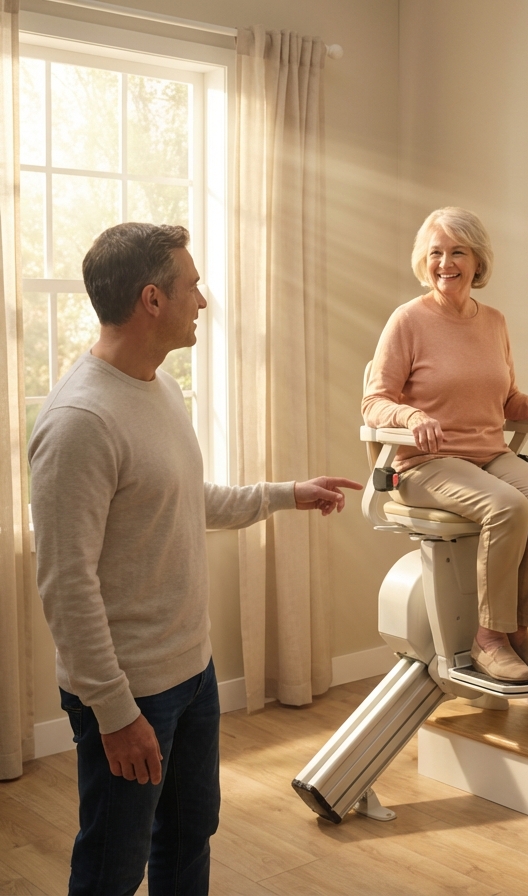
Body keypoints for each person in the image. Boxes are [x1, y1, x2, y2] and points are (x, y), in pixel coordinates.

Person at [28, 222, 362, 895]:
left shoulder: (158, 388)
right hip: (129, 693)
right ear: (152, 300)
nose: (203, 300)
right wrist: (117, 714)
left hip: (192, 670)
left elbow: (183, 500)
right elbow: (68, 588)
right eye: (192, 285)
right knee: (113, 867)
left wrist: (286, 494)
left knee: (187, 837)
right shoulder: (79, 423)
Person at [362, 207, 528, 683]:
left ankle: (519, 632)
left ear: (477, 260)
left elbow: (506, 400)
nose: (446, 263)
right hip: (425, 464)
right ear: (424, 260)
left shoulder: (494, 322)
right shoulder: (408, 321)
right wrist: (411, 415)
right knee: (508, 507)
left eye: (457, 252)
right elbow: (374, 403)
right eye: (436, 252)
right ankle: (489, 638)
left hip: (487, 454)